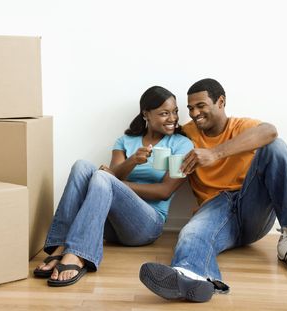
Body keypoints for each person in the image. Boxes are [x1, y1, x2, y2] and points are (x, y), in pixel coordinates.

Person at [139, 78, 287, 302]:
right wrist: (121, 168)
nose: (194, 113)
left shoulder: (241, 127)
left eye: (201, 105)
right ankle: (192, 276)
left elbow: (270, 131)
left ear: (220, 101)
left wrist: (216, 153)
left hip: (252, 205)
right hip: (215, 209)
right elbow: (158, 130)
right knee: (191, 233)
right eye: (190, 108)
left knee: (276, 147)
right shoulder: (187, 133)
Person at [33, 86, 193, 287]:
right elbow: (113, 174)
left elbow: (164, 191)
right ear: (146, 114)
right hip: (109, 227)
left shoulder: (182, 145)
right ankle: (62, 245)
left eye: (175, 111)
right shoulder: (125, 141)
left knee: (101, 177)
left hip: (147, 225)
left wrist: (118, 184)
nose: (172, 118)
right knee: (82, 166)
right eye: (164, 113)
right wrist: (133, 160)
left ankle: (78, 254)